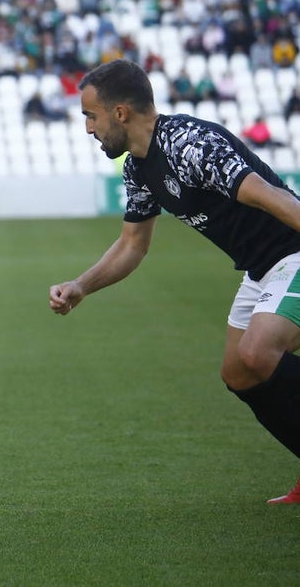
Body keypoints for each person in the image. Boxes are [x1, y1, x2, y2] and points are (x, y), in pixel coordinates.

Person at [48, 58, 300, 505]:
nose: (88, 128)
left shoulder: (188, 144)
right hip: (261, 269)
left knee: (258, 351)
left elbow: (268, 194)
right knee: (239, 373)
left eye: (91, 115)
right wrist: (81, 285)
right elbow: (132, 245)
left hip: (292, 254)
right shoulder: (138, 167)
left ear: (120, 113)